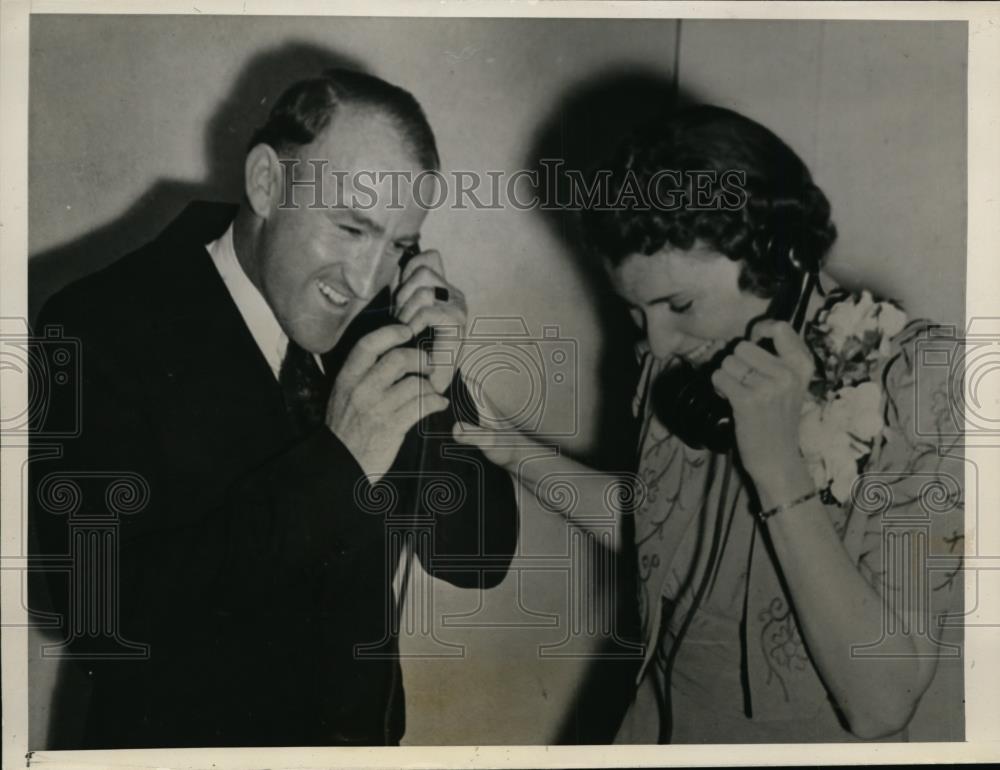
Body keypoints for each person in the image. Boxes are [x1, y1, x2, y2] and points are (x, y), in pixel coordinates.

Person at [29, 68, 518, 749]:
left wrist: (434, 397)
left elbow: (479, 558)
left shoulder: (383, 326)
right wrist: (337, 464)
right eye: (350, 227)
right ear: (266, 184)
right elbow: (98, 618)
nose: (367, 278)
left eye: (398, 245)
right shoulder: (98, 324)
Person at [456, 105, 964, 743]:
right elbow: (653, 525)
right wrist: (508, 446)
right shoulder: (687, 360)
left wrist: (777, 465)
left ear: (775, 253)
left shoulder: (922, 380)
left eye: (680, 304)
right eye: (639, 314)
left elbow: (881, 703)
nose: (659, 344)